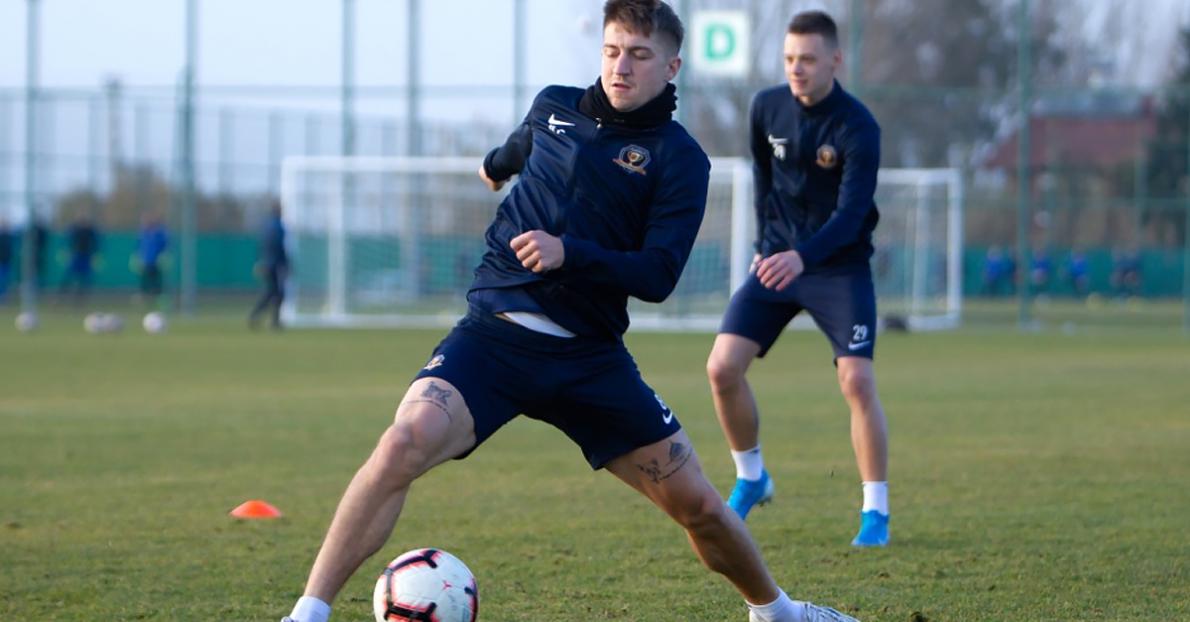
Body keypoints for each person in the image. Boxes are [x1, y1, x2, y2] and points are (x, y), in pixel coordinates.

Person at [281, 3, 858, 622]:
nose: (621, 66)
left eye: (639, 55)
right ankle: (307, 614)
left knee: (700, 508)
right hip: (493, 338)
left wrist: (569, 253)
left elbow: (658, 275)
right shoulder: (553, 105)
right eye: (612, 51)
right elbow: (519, 147)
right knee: (402, 442)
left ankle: (780, 614)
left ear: (672, 67)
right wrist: (495, 165)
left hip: (588, 359)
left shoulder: (680, 158)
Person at [705, 10, 890, 548]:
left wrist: (801, 258)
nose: (796, 69)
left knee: (857, 381)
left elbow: (852, 215)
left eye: (807, 59)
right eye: (789, 58)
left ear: (835, 61)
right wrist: (765, 248)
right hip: (779, 261)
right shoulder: (766, 107)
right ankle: (752, 477)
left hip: (838, 268)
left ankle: (875, 511)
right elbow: (763, 182)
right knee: (721, 368)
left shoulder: (858, 127)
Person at [249, 201, 289, 330]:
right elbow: (279, 247)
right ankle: (264, 317)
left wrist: (259, 262)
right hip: (274, 264)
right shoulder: (278, 227)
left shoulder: (265, 226)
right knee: (276, 293)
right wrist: (286, 263)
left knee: (273, 292)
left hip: (266, 263)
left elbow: (260, 246)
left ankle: (270, 319)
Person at [59, 214, 100, 303]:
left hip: (86, 256)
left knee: (85, 277)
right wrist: (67, 251)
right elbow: (69, 237)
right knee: (69, 275)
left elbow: (96, 242)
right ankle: (61, 294)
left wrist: (95, 253)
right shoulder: (75, 229)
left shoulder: (90, 231)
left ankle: (81, 296)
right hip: (76, 255)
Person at [133, 211, 169, 307]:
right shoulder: (143, 234)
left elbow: (165, 246)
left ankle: (159, 301)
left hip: (156, 262)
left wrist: (163, 257)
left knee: (157, 283)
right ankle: (144, 301)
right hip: (145, 262)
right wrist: (138, 258)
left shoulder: (159, 234)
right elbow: (139, 247)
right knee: (144, 283)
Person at [0, 219, 12, 303]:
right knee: (2, 279)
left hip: (6, 261)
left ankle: (4, 296)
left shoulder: (8, 237)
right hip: (2, 261)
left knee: (4, 279)